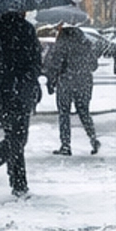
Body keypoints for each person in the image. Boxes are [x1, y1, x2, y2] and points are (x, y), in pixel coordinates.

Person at [0, 6, 44, 195]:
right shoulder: (23, 29)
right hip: (17, 90)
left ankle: (19, 184)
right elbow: (35, 62)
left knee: (14, 135)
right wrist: (29, 79)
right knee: (17, 138)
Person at [44, 20, 101, 156]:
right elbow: (94, 65)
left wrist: (50, 82)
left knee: (64, 113)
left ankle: (65, 145)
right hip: (84, 82)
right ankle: (93, 139)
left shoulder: (62, 43)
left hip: (66, 82)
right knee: (84, 112)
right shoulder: (86, 43)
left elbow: (54, 64)